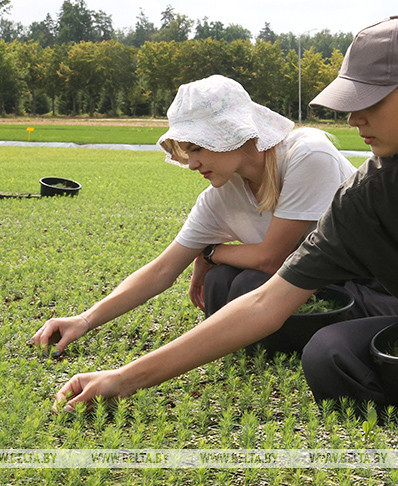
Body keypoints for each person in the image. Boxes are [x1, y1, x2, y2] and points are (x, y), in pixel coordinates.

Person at [47, 17, 398, 432]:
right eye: (350, 103)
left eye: (369, 103)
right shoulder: (370, 189)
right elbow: (265, 305)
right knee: (328, 354)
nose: (354, 120)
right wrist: (124, 377)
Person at [32, 74, 359, 356]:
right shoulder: (220, 196)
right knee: (221, 282)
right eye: (188, 151)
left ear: (236, 135)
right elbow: (162, 270)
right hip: (302, 289)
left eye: (198, 148)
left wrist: (211, 253)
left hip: (364, 284)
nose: (191, 163)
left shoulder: (307, 155)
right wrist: (85, 319)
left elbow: (271, 259)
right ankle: (255, 347)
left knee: (246, 281)